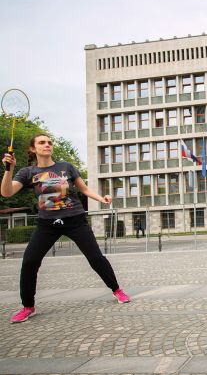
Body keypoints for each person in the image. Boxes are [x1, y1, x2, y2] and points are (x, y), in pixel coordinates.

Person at [1, 133, 131, 323]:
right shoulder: (27, 172)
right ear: (32, 149)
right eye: (42, 142)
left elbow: (84, 189)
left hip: (75, 220)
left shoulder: (65, 167)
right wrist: (9, 170)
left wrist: (101, 199)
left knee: (95, 257)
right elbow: (6, 192)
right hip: (47, 224)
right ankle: (28, 306)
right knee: (29, 262)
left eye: (49, 142)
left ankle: (117, 290)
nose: (47, 145)